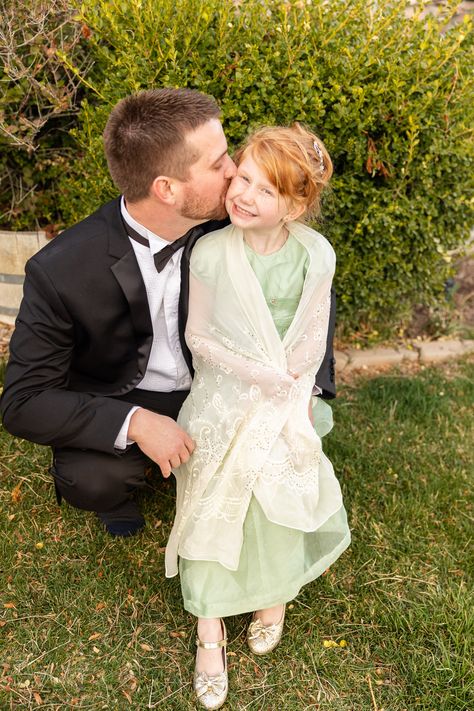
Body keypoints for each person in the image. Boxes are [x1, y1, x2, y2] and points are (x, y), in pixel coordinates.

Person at [0, 89, 337, 539]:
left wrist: (308, 391)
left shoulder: (238, 221)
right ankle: (136, 478)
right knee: (91, 479)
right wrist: (135, 423)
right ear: (167, 189)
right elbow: (23, 402)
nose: (236, 172)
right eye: (218, 164)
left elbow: (304, 287)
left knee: (281, 457)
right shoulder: (60, 270)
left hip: (224, 383)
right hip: (127, 395)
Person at [164, 124, 350, 709]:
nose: (243, 195)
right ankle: (211, 627)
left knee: (277, 470)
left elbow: (314, 332)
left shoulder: (315, 255)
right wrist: (256, 375)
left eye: (264, 191)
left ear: (294, 205)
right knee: (219, 478)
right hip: (227, 389)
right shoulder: (212, 252)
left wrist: (291, 375)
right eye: (241, 177)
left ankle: (274, 592)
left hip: (285, 391)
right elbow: (199, 336)